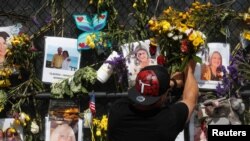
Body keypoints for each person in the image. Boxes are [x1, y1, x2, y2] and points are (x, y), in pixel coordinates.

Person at [108, 60, 198, 141]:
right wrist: (189, 69)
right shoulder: (168, 120)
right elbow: (190, 99)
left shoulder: (117, 110)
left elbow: (138, 92)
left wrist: (168, 85)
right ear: (163, 96)